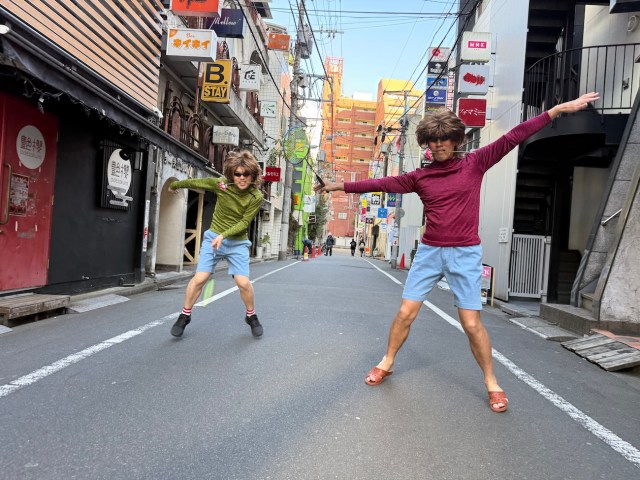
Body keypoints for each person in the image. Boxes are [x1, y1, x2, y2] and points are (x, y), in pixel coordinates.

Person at [315, 92, 599, 413]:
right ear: (426, 143)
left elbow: (513, 137)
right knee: (406, 312)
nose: (438, 146)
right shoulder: (419, 177)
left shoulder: (475, 163)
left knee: (471, 323)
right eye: (432, 141)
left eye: (444, 139)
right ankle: (387, 362)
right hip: (430, 252)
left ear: (456, 140)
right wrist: (339, 186)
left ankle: (492, 382)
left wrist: (556, 110)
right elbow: (382, 183)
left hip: (465, 253)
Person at [169, 150, 265, 338]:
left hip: (237, 243)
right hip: (213, 239)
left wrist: (224, 235)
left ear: (253, 175)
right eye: (237, 174)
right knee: (200, 278)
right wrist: (175, 185)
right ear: (232, 174)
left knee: (243, 282)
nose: (242, 178)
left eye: (246, 174)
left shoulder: (256, 197)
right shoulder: (222, 185)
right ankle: (185, 315)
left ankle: (251, 315)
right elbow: (198, 183)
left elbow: (244, 223)